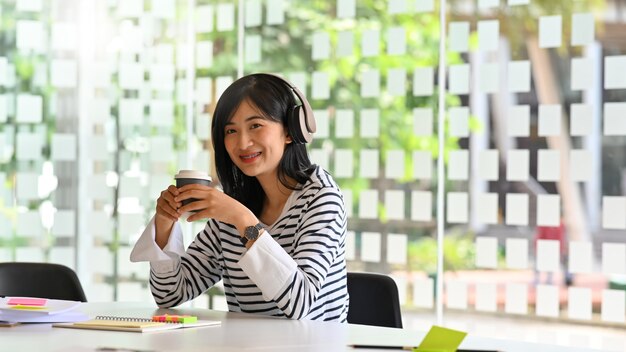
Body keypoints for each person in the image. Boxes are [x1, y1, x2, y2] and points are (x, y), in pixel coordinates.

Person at [130, 73, 349, 322]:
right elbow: (170, 294)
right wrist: (165, 224)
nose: (243, 142)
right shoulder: (233, 207)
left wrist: (242, 219)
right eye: (231, 130)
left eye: (255, 125)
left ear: (290, 130)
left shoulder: (321, 198)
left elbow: (300, 301)